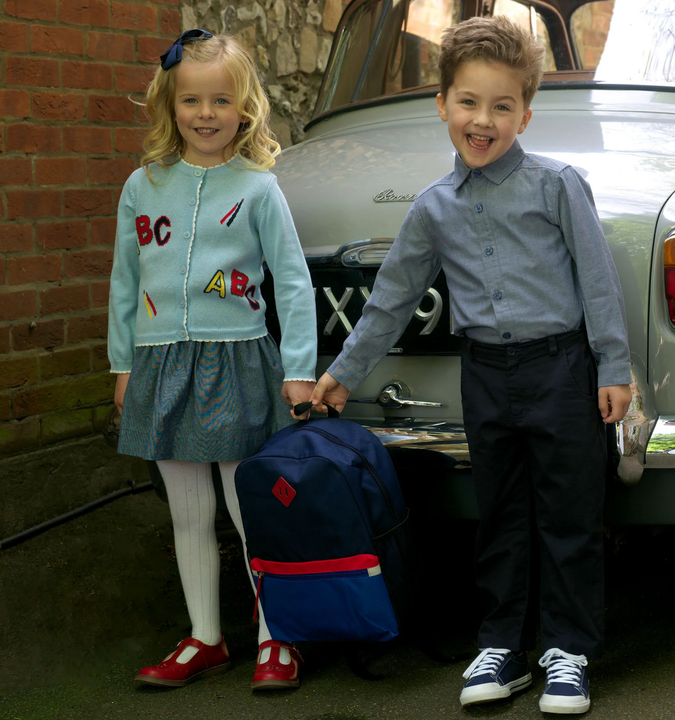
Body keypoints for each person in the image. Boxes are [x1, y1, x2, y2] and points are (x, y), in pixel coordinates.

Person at [311, 15, 632, 715]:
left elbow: (597, 282)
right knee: (503, 517)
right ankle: (503, 646)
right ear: (443, 105)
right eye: (468, 103)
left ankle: (568, 651)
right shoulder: (433, 207)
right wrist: (343, 373)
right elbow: (391, 301)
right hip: (486, 376)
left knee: (569, 515)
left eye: (501, 106)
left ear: (524, 111)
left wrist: (613, 367)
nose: (482, 121)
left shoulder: (557, 185)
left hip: (560, 370)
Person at [108, 30, 316, 691]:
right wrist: (122, 364)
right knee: (188, 510)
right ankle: (205, 637)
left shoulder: (258, 188)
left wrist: (300, 367)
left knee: (248, 504)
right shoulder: (142, 187)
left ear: (243, 107)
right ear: (170, 106)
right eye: (191, 100)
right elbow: (123, 278)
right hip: (160, 363)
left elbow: (292, 281)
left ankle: (274, 639)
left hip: (236, 361)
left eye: (219, 100)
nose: (205, 114)